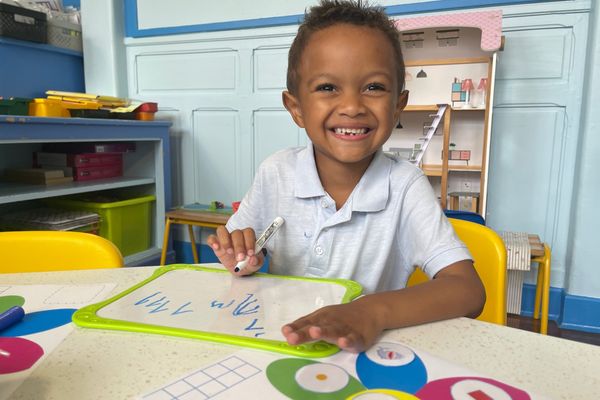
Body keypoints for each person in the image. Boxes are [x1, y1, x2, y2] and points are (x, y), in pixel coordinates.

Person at [207, 0, 485, 353]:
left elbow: (468, 290)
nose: (352, 106)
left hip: (365, 357)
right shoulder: (276, 172)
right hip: (277, 344)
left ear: (398, 105)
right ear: (296, 109)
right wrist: (242, 260)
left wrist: (371, 312)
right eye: (327, 88)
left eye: (373, 87)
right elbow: (242, 253)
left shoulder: (404, 186)